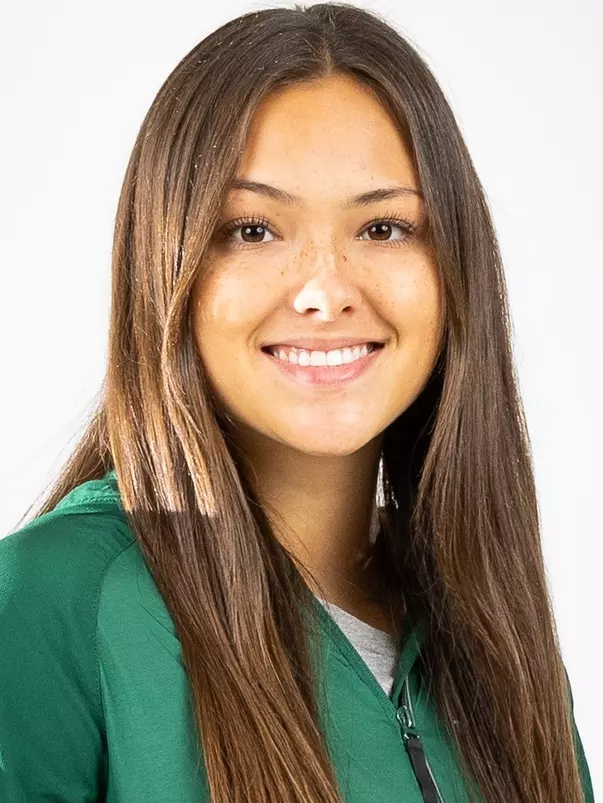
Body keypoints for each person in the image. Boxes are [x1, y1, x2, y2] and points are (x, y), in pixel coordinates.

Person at [0, 3, 594, 803]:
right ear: (166, 266)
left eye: (383, 227)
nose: (324, 290)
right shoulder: (54, 597)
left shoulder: (496, 634)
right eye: (252, 230)